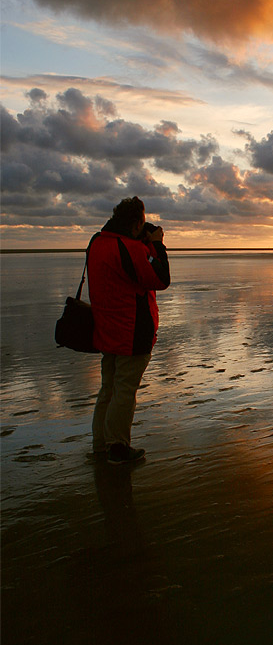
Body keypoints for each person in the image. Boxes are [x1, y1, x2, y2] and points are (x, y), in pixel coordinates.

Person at [88, 196, 170, 465]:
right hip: (132, 330)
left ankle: (101, 445)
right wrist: (156, 245)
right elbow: (160, 279)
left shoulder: (97, 243)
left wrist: (144, 244)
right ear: (136, 224)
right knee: (124, 391)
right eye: (142, 223)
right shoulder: (129, 248)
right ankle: (118, 448)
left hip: (106, 329)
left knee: (108, 389)